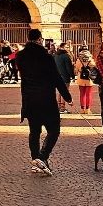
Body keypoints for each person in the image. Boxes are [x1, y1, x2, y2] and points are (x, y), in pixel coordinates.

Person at [16, 29, 72, 175]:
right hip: (46, 99)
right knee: (54, 130)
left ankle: (36, 160)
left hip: (29, 99)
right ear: (40, 39)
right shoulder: (46, 57)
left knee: (34, 132)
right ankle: (42, 157)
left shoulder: (20, 56)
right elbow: (56, 77)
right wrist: (67, 97)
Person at [53, 42, 74, 113]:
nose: (68, 48)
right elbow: (69, 68)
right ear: (63, 47)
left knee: (60, 91)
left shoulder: (55, 55)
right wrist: (72, 76)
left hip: (57, 76)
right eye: (67, 47)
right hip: (65, 76)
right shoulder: (66, 56)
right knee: (64, 91)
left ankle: (59, 107)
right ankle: (62, 107)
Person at [75, 49, 96, 114]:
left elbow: (76, 69)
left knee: (82, 94)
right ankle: (87, 109)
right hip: (89, 79)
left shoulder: (78, 60)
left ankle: (82, 109)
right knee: (88, 94)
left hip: (81, 79)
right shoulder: (91, 60)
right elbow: (94, 68)